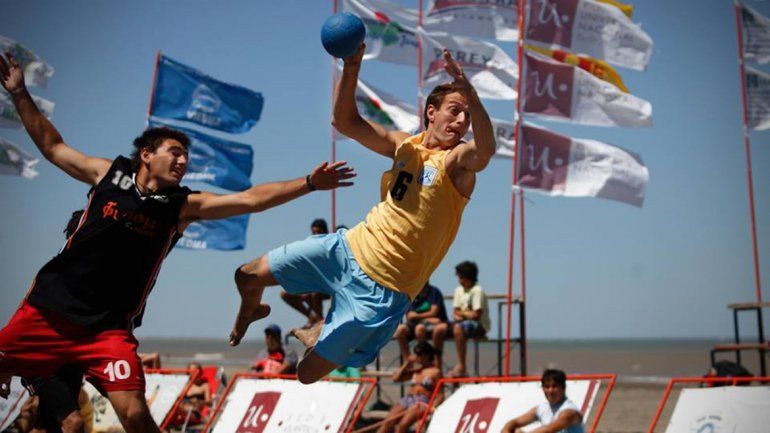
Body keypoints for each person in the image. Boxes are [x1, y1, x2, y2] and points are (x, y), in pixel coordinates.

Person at [0, 52, 354, 433]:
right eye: (176, 151)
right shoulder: (108, 174)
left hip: (106, 330)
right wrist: (19, 92)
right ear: (147, 155)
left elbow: (251, 198)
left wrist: (310, 183)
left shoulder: (182, 206)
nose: (183, 160)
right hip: (47, 312)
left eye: (186, 155)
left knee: (135, 414)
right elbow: (53, 147)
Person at [227, 44, 496, 385]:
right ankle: (250, 309)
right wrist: (351, 67)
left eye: (467, 116)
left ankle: (323, 330)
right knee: (247, 275)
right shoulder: (405, 145)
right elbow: (345, 122)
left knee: (306, 374)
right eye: (455, 111)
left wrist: (471, 92)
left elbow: (485, 151)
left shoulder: (457, 165)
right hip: (348, 249)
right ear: (431, 112)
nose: (461, 122)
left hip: (386, 290)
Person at [376, 342, 441, 433]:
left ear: (427, 355)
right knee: (387, 423)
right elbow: (395, 378)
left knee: (401, 427)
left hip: (421, 401)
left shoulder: (435, 372)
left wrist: (431, 408)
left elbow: (440, 395)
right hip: (408, 398)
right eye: (415, 354)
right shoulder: (417, 371)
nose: (416, 356)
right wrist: (406, 363)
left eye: (418, 354)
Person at [279, 219, 330, 328]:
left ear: (325, 232)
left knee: (314, 293)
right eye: (314, 233)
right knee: (285, 294)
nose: (316, 235)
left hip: (328, 286)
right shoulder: (309, 249)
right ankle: (312, 317)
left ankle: (321, 321)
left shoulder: (329, 246)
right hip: (312, 285)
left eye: (319, 232)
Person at [501, 369, 584, 433]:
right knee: (515, 430)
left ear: (563, 388)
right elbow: (514, 422)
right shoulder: (542, 408)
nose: (550, 391)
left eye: (554, 386)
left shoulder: (570, 411)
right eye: (547, 387)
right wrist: (506, 430)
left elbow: (548, 430)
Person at [393, 282, 449, 368]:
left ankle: (424, 360)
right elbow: (409, 315)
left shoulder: (434, 292)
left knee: (419, 329)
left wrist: (417, 316)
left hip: (428, 325)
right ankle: (407, 361)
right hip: (416, 323)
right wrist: (423, 317)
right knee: (400, 330)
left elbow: (434, 312)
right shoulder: (413, 293)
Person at [449, 261, 490, 377]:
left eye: (461, 277)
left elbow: (476, 314)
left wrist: (461, 314)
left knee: (457, 328)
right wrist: (466, 313)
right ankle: (434, 364)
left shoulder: (477, 290)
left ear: (468, 277)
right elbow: (455, 311)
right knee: (440, 329)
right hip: (462, 323)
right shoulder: (458, 290)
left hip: (479, 325)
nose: (459, 280)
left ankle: (462, 365)